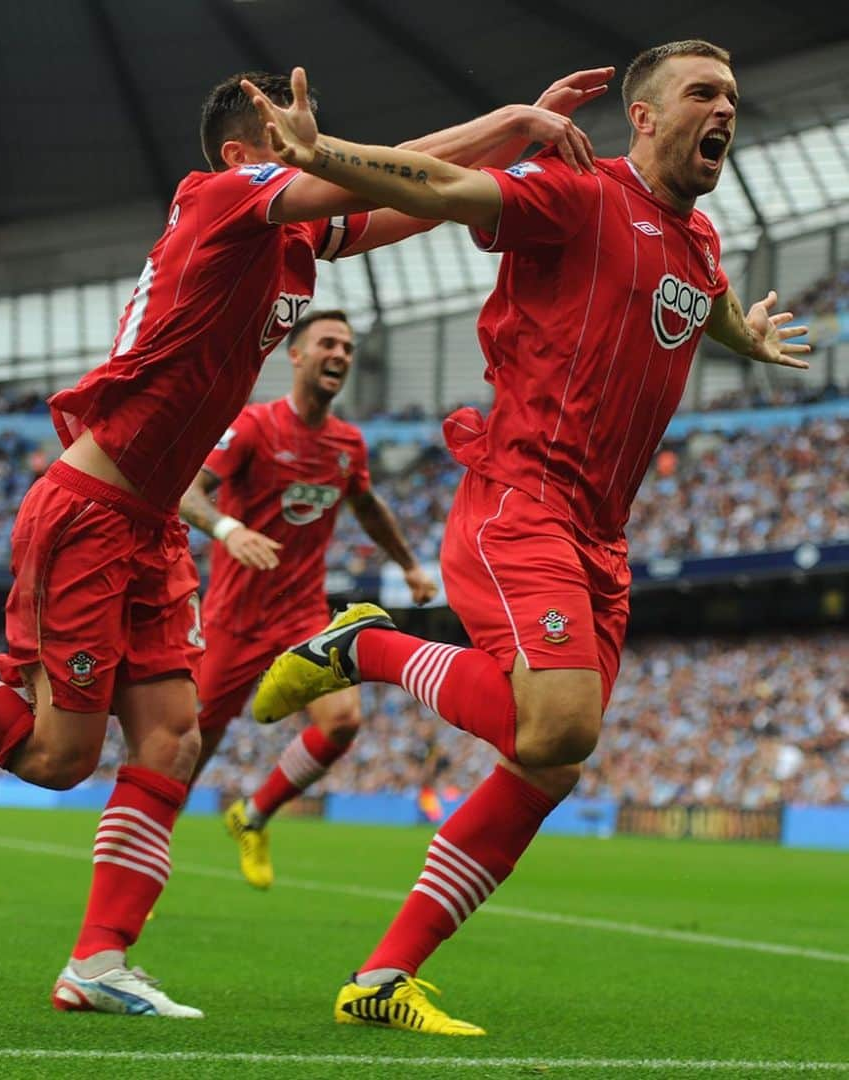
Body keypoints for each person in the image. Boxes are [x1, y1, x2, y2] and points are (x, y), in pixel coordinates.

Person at [0, 66, 610, 1021]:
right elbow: (355, 176)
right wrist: (507, 118)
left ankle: (97, 961)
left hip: (152, 521)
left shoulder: (291, 241)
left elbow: (406, 198)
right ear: (241, 155)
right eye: (286, 137)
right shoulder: (218, 200)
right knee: (58, 757)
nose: (308, 143)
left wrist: (518, 143)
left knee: (170, 740)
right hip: (91, 506)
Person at [246, 42, 810, 1036]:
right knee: (560, 727)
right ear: (643, 117)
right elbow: (448, 187)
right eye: (703, 93)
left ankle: (381, 980)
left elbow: (700, 298)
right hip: (524, 500)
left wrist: (744, 338)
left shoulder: (705, 241)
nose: (726, 108)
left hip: (603, 536)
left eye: (732, 95)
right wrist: (325, 152)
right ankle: (364, 646)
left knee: (550, 764)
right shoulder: (577, 195)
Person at [179, 307, 437, 889]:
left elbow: (368, 508)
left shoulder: (347, 443)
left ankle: (254, 814)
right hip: (234, 618)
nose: (341, 355)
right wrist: (228, 530)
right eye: (328, 343)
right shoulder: (253, 426)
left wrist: (410, 565)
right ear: (295, 355)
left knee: (343, 721)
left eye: (347, 347)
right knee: (189, 751)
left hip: (301, 616)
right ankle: (144, 867)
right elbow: (189, 492)